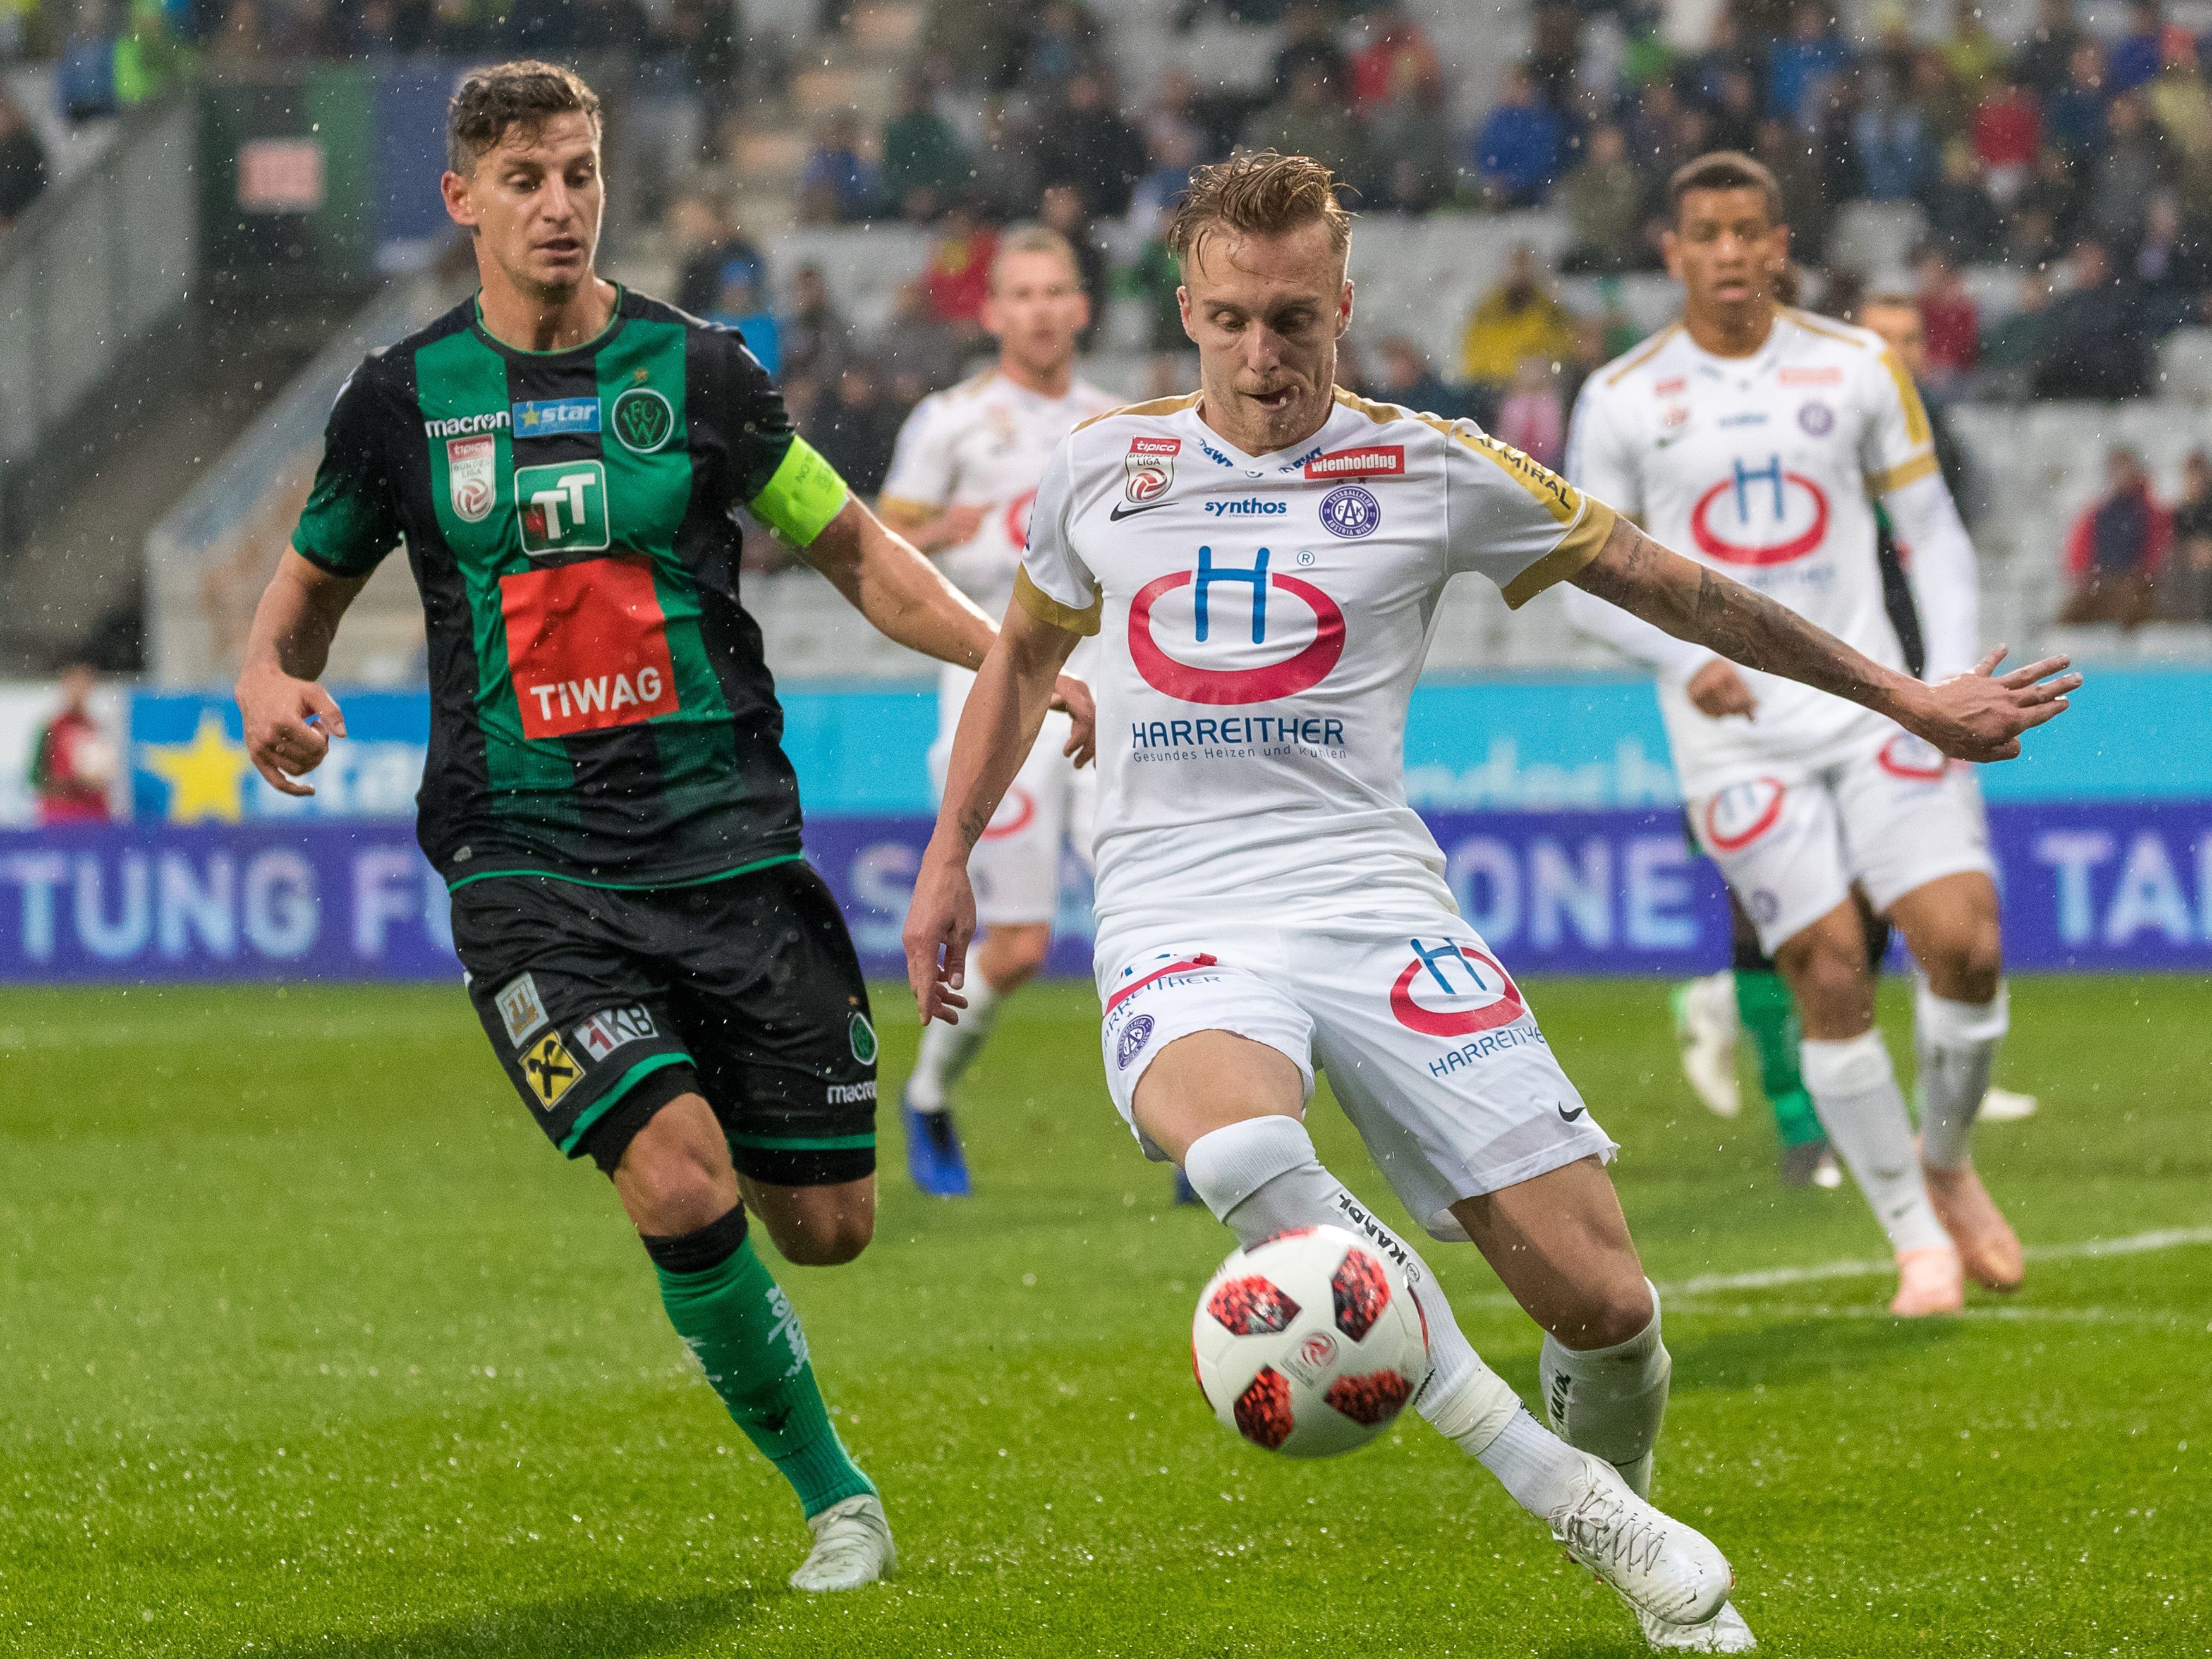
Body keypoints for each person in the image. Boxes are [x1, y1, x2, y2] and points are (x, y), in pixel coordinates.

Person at [904, 150, 2071, 1654]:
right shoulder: (1098, 473)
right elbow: (1016, 656)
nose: (1266, 360)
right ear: (1187, 310)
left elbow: (1676, 586)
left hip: (1381, 904)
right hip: (1177, 909)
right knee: (1248, 1145)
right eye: (1233, 322)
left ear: (1345, 305)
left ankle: (1620, 1482)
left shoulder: (1432, 464)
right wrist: (953, 855)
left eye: (1297, 323)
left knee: (1608, 1309)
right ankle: (1580, 1509)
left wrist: (1901, 690)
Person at [231, 61, 1094, 1600]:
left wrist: (1004, 654)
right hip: (527, 866)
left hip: (732, 854)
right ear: (463, 200)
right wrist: (263, 682)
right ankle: (839, 1503)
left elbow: (856, 548)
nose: (558, 204)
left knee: (825, 1224)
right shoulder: (401, 398)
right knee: (677, 1183)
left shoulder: (703, 374)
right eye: (524, 180)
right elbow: (300, 598)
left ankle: (796, 1300)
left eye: (578, 174)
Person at [1561, 152, 2072, 1321]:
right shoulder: (1625, 398)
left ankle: (1945, 1165)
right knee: (1829, 969)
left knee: (1967, 944)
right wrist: (1686, 659)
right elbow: (1587, 585)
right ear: (1673, 251)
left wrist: (1940, 678)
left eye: (1751, 230)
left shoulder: (1855, 366)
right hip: (1735, 735)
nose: (1731, 252)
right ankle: (1913, 1244)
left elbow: (1930, 528)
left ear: (1782, 243)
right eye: (1708, 233)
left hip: (1870, 700)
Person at [875, 226, 1119, 1195]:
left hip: (1110, 684)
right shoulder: (951, 420)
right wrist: (942, 528)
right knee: (1017, 945)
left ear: (1083, 306)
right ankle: (929, 1092)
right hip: (996, 683)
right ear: (992, 312)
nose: (1042, 309)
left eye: (1057, 290)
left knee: (1146, 899)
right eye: (1022, 293)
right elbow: (883, 540)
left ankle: (1203, 1121)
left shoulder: (1121, 419)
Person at [2060, 445, 2171, 626]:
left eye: (2125, 468)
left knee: (2128, 609)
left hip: (2134, 585)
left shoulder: (2149, 512)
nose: (2121, 475)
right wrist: (2088, 577)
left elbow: (2157, 553)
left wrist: (2141, 577)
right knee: (2069, 616)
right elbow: (2079, 555)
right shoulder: (2098, 513)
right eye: (2116, 469)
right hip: (2101, 583)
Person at [30, 662, 113, 825]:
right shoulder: (51, 728)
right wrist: (73, 782)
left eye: (84, 685)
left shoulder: (96, 728)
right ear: (65, 687)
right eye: (74, 685)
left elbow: (104, 779)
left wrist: (96, 782)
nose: (78, 692)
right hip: (61, 816)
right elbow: (35, 777)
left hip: (93, 816)